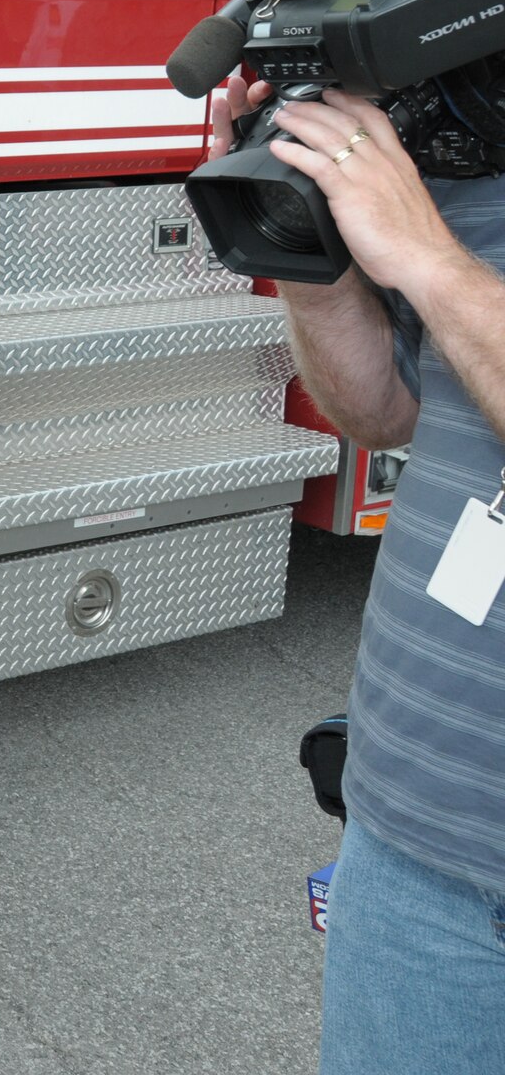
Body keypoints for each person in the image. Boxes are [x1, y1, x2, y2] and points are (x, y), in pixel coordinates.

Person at [208, 78, 505, 1075]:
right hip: (408, 830)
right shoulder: (480, 135)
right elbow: (380, 410)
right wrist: (302, 236)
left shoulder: (437, 229)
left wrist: (425, 255)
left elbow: (439, 280)